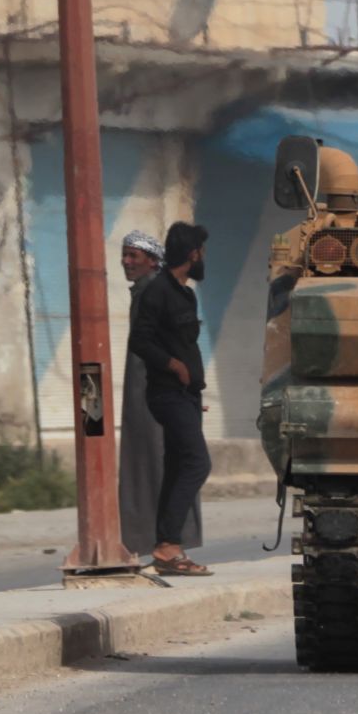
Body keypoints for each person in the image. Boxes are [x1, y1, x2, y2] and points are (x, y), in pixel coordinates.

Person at [130, 222, 213, 577]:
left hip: (187, 396)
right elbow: (140, 341)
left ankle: (166, 548)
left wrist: (192, 385)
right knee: (197, 463)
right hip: (167, 393)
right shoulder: (157, 291)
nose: (203, 257)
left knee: (180, 466)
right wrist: (174, 365)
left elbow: (185, 341)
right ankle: (168, 547)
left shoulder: (185, 293)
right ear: (193, 253)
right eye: (202, 251)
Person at [117, 230, 200, 559]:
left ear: (152, 261)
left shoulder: (154, 290)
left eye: (133, 255)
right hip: (158, 388)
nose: (126, 261)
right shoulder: (149, 290)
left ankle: (166, 543)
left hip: (154, 388)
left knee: (175, 461)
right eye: (124, 255)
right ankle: (162, 543)